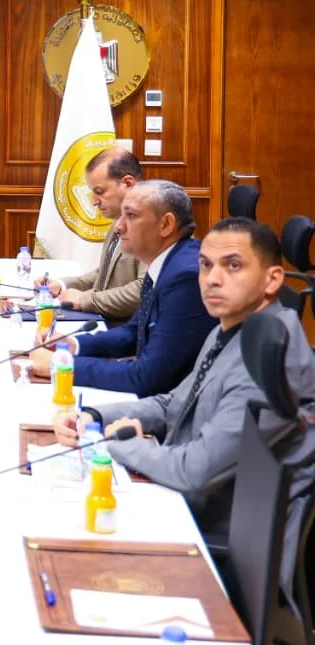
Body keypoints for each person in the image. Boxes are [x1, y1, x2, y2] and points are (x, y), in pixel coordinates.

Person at [53, 217, 315, 539]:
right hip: (188, 499)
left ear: (272, 280)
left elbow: (194, 471)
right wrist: (94, 417)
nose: (212, 279)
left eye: (233, 266)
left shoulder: (268, 358)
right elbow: (174, 404)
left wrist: (115, 442)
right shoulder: (235, 325)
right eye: (206, 265)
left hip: (217, 531)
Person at [30, 180, 216, 396]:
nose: (119, 226)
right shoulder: (167, 261)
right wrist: (74, 344)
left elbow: (148, 377)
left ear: (166, 224)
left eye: (131, 216)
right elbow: (134, 332)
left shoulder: (186, 278)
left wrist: (63, 365)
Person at [39, 147, 145, 321]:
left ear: (128, 183)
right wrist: (62, 285)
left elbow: (142, 290)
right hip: (102, 321)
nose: (93, 201)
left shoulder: (151, 226)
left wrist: (84, 300)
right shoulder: (118, 220)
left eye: (99, 191)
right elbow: (105, 275)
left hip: (124, 330)